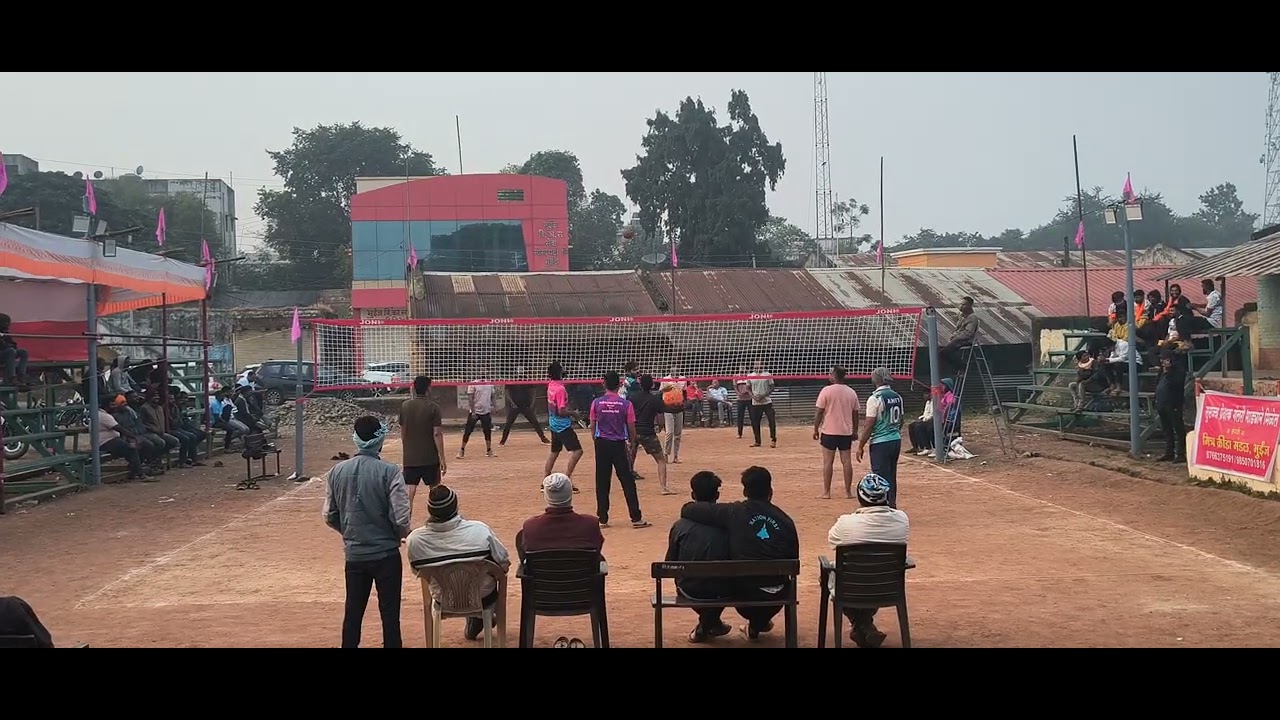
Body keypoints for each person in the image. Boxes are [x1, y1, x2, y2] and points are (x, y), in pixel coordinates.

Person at [678, 466, 799, 640]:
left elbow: (690, 510)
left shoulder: (735, 512)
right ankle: (758, 623)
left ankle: (709, 623)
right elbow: (793, 559)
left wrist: (689, 503)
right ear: (770, 491)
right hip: (778, 594)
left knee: (723, 575)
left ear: (744, 491)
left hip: (743, 594)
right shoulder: (786, 521)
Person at [323, 415, 412, 649]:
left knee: (353, 613)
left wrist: (350, 531)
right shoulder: (390, 472)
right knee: (390, 614)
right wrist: (397, 534)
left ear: (355, 439)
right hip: (386, 554)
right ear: (380, 441)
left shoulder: (336, 472)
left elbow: (329, 515)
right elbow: (401, 516)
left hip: (355, 554)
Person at [407, 484, 511, 642]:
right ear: (455, 506)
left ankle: (474, 621)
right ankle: (479, 618)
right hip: (482, 597)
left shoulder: (415, 540)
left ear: (430, 510)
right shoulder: (480, 531)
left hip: (443, 598)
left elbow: (419, 572)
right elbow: (503, 564)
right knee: (483, 579)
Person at [827, 473, 910, 648]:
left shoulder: (846, 523)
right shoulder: (902, 520)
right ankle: (865, 626)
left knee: (831, 574)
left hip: (851, 587)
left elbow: (832, 541)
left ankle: (862, 625)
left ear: (860, 497)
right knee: (869, 577)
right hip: (888, 585)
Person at [665, 471, 732, 643]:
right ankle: (710, 622)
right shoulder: (729, 524)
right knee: (722, 581)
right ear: (717, 495)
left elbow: (669, 564)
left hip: (689, 590)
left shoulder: (679, 526)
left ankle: (707, 623)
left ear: (693, 495)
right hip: (724, 589)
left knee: (701, 582)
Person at [591, 370, 649, 529]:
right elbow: (631, 428)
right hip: (618, 444)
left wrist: (596, 441)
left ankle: (602, 518)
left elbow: (593, 426)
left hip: (602, 443)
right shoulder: (626, 404)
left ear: (604, 384)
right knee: (628, 481)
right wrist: (631, 443)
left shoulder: (596, 403)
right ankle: (636, 518)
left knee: (602, 481)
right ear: (619, 384)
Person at [517, 473, 605, 559]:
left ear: (546, 497)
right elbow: (597, 549)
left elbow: (524, 556)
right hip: (582, 573)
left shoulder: (531, 526)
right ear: (570, 494)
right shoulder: (590, 524)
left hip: (544, 573)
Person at [856, 367, 904, 508]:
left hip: (880, 442)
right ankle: (892, 503)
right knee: (891, 473)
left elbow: (869, 424)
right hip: (895, 439)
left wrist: (861, 445)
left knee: (880, 476)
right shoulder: (897, 396)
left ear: (876, 379)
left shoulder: (875, 398)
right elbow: (901, 420)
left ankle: (883, 505)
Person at [399, 376, 445, 517]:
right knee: (435, 490)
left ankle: (405, 524)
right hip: (430, 457)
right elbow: (437, 434)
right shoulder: (433, 407)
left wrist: (407, 448)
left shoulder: (405, 406)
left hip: (410, 457)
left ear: (414, 388)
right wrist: (442, 458)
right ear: (428, 389)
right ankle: (438, 519)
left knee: (410, 490)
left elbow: (402, 431)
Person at [813, 365, 861, 500]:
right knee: (846, 461)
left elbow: (819, 412)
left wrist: (815, 428)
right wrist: (855, 431)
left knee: (828, 462)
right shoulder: (851, 392)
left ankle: (826, 492)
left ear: (834, 375)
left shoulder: (826, 391)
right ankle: (848, 492)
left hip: (829, 431)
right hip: (845, 432)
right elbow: (856, 414)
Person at [629, 374, 674, 495]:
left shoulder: (632, 397)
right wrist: (660, 426)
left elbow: (628, 413)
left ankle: (627, 484)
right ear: (652, 385)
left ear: (640, 384)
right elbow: (660, 416)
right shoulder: (655, 399)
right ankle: (663, 488)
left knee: (631, 456)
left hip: (633, 431)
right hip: (647, 432)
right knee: (661, 460)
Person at [543, 361, 584, 480]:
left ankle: (545, 479)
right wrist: (573, 413)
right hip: (562, 426)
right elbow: (561, 411)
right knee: (578, 451)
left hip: (553, 424)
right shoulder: (560, 389)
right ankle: (567, 478)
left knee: (554, 452)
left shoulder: (551, 385)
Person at [96, 399, 149, 480]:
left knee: (136, 447)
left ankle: (133, 471)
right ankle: (140, 474)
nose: (115, 407)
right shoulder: (104, 416)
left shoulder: (103, 414)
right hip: (105, 442)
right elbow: (120, 428)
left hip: (111, 440)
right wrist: (134, 437)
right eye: (112, 405)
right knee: (132, 449)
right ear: (106, 406)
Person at [1155, 349, 1188, 463]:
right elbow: (1158, 384)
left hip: (1173, 403)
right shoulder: (1161, 371)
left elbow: (1177, 383)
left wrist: (1168, 371)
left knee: (1178, 428)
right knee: (1166, 429)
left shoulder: (1178, 370)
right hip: (1161, 402)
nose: (1163, 362)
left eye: (1165, 359)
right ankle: (1169, 452)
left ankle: (1181, 453)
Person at [499, 381, 549, 446]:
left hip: (525, 405)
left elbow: (533, 390)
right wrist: (512, 402)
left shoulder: (525, 378)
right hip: (515, 406)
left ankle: (543, 438)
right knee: (508, 423)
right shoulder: (511, 378)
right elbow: (506, 391)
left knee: (534, 421)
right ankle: (502, 441)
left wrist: (532, 403)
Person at [457, 378, 497, 459]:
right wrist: (473, 411)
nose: (483, 371)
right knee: (468, 431)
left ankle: (489, 450)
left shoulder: (489, 383)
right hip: (475, 411)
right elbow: (470, 398)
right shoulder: (473, 383)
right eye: (481, 369)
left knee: (487, 432)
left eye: (485, 369)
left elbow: (492, 396)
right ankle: (461, 450)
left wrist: (495, 406)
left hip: (486, 411)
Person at [138, 391, 181, 465]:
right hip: (148, 432)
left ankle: (154, 456)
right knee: (160, 443)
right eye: (154, 396)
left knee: (174, 441)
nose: (156, 397)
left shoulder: (160, 408)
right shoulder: (144, 408)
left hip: (161, 432)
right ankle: (151, 459)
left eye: (157, 396)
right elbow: (141, 423)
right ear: (149, 397)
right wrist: (151, 428)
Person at [167, 390, 208, 467]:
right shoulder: (167, 408)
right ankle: (182, 461)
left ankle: (192, 458)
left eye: (172, 399)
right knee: (188, 437)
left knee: (198, 435)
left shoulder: (177, 407)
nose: (172, 401)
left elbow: (182, 420)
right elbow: (173, 422)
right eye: (170, 399)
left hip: (179, 427)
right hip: (172, 428)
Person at [940, 296, 979, 374]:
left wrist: (956, 338)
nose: (961, 306)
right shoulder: (961, 316)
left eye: (964, 305)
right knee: (941, 351)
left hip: (965, 341)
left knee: (945, 352)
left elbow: (968, 333)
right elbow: (958, 329)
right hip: (958, 339)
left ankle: (963, 367)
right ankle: (959, 368)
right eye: (961, 304)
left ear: (969, 306)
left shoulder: (972, 318)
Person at [747, 359, 777, 448]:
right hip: (755, 403)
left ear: (762, 366)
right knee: (755, 422)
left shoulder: (767, 375)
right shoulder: (750, 375)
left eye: (759, 364)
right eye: (756, 364)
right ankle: (757, 441)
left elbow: (772, 387)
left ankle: (773, 439)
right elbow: (748, 388)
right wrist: (753, 396)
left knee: (771, 421)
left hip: (767, 402)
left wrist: (763, 395)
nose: (757, 366)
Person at [659, 368, 687, 463]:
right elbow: (661, 391)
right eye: (674, 370)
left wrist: (684, 403)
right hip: (668, 409)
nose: (676, 372)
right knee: (669, 433)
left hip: (679, 409)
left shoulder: (683, 379)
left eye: (678, 370)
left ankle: (675, 456)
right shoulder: (665, 379)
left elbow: (684, 392)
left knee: (678, 434)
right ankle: (666, 454)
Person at [0, 313, 31, 388]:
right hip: (4, 353)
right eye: (6, 324)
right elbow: (2, 345)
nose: (8, 326)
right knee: (11, 351)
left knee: (23, 352)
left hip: (7, 352)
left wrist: (7, 344)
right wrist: (7, 345)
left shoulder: (5, 333)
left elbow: (14, 344)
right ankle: (11, 377)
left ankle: (21, 375)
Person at [907, 388, 934, 455]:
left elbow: (932, 415)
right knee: (911, 425)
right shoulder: (927, 402)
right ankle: (916, 447)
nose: (924, 395)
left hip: (931, 421)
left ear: (931, 394)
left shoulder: (934, 402)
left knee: (919, 426)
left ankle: (926, 447)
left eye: (926, 394)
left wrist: (924, 420)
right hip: (925, 419)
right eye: (924, 394)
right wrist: (921, 418)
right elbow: (925, 413)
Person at [733, 369, 753, 439]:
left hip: (749, 399)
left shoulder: (749, 376)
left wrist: (748, 392)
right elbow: (735, 387)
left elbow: (751, 386)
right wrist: (739, 394)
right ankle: (739, 433)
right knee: (740, 417)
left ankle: (755, 432)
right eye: (741, 370)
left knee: (752, 416)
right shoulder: (736, 376)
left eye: (744, 370)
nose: (742, 371)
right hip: (740, 400)